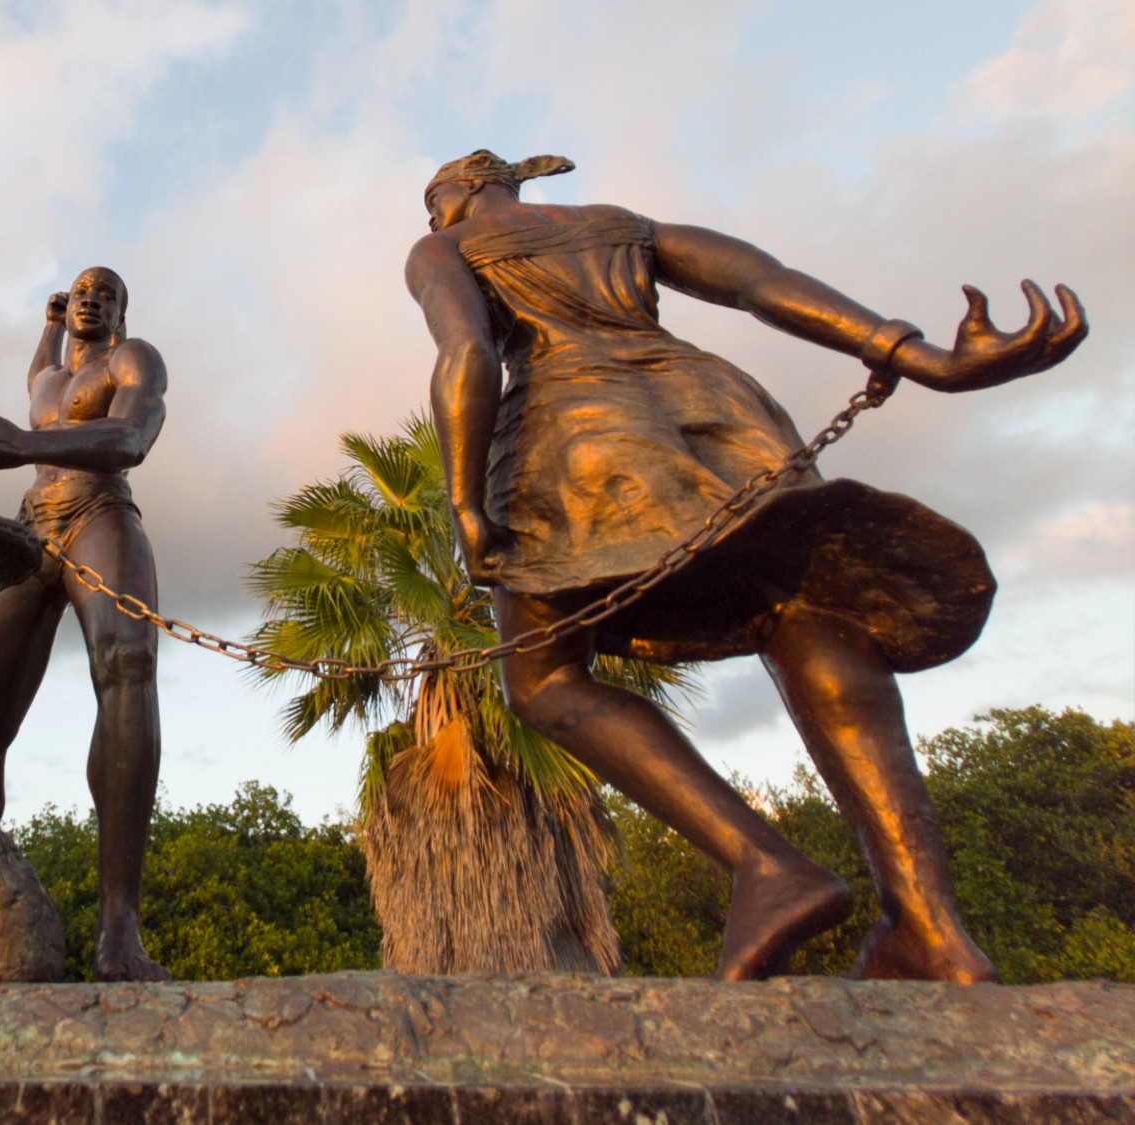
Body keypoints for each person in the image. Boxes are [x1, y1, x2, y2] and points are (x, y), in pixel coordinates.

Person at [406, 150, 1086, 982]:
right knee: (806, 613)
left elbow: (468, 352)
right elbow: (764, 282)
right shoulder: (623, 225)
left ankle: (767, 864)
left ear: (465, 193)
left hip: (576, 431)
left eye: (435, 204)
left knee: (545, 682)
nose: (435, 221)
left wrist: (465, 500)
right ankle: (932, 926)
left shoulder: (446, 251)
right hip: (721, 407)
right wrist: (918, 357)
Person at [0, 266, 171, 982]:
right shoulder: (43, 376)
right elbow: (38, 366)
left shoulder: (135, 359)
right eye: (80, 291)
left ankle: (118, 927)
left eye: (107, 291)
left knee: (127, 667)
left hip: (100, 514)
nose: (91, 297)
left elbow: (128, 437)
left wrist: (17, 447)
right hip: (33, 524)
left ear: (123, 311)